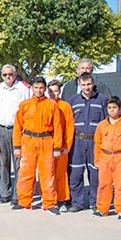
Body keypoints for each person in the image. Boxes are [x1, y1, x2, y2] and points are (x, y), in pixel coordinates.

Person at [12, 76, 63, 214]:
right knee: (25, 173)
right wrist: (17, 146)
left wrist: (57, 147)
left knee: (47, 173)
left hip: (46, 141)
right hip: (28, 140)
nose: (39, 90)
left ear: (45, 89)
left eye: (41, 88)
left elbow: (57, 127)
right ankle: (24, 201)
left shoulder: (52, 104)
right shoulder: (25, 105)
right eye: (36, 87)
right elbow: (18, 126)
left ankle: (49, 203)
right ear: (32, 88)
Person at [67, 72, 107, 214]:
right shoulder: (73, 100)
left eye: (89, 84)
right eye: (83, 85)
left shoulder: (102, 100)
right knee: (75, 172)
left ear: (93, 83)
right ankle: (77, 202)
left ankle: (95, 202)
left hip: (95, 142)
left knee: (95, 173)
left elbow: (107, 122)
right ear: (79, 85)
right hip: (77, 141)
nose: (86, 87)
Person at [0, 64, 31, 204]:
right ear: (1, 75)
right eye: (5, 75)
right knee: (3, 162)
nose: (8, 77)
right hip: (1, 129)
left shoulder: (24, 89)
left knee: (18, 163)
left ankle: (18, 194)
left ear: (15, 74)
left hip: (18, 130)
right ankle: (4, 192)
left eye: (11, 74)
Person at [94, 96, 121, 219]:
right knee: (104, 184)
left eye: (114, 107)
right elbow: (97, 144)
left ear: (119, 108)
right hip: (105, 157)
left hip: (120, 157)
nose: (112, 110)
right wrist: (97, 160)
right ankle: (102, 208)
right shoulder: (101, 125)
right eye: (109, 108)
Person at [47, 80, 74, 212]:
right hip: (45, 145)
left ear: (60, 91)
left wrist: (67, 145)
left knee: (60, 174)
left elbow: (69, 128)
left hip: (61, 146)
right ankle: (49, 199)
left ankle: (61, 199)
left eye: (56, 91)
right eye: (50, 91)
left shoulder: (65, 106)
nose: (53, 94)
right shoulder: (44, 105)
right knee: (47, 174)